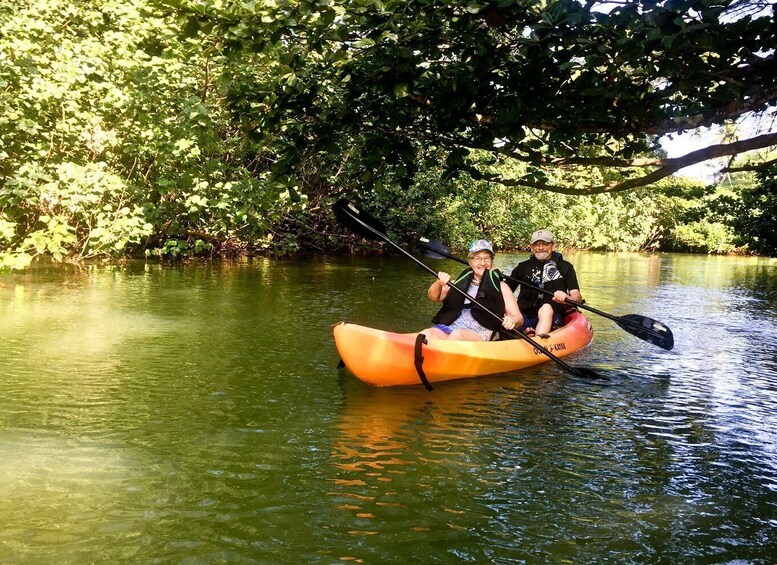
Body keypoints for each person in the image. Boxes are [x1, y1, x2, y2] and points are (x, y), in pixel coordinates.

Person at [421, 239, 523, 341]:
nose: (483, 263)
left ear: (492, 261)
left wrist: (512, 320)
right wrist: (438, 283)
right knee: (426, 334)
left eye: (487, 258)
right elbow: (433, 297)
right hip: (452, 326)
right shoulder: (457, 282)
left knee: (457, 336)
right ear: (470, 261)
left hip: (481, 330)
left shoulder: (502, 286)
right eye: (477, 259)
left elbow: (518, 318)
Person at [506, 229, 582, 337]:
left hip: (553, 316)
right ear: (532, 248)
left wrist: (567, 299)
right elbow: (505, 291)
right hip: (524, 316)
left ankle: (537, 340)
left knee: (546, 308)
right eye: (536, 244)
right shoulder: (522, 267)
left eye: (545, 243)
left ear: (553, 246)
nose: (540, 247)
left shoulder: (565, 267)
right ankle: (527, 333)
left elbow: (577, 297)